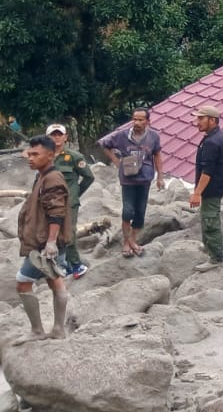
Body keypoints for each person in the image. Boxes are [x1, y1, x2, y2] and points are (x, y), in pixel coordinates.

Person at [16, 135, 71, 339]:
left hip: (45, 242)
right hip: (46, 240)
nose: (30, 158)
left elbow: (56, 212)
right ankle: (58, 329)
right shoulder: (42, 175)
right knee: (54, 280)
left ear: (50, 155)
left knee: (22, 282)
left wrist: (50, 243)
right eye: (29, 154)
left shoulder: (52, 178)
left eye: (35, 154)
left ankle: (37, 331)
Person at [98, 107, 166, 258]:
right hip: (128, 178)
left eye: (141, 120)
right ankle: (127, 242)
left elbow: (157, 155)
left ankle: (133, 239)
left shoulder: (153, 136)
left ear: (148, 121)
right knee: (127, 211)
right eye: (135, 119)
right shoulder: (122, 136)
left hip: (145, 178)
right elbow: (104, 144)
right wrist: (116, 161)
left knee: (140, 212)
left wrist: (160, 176)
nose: (137, 122)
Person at [46, 122, 94, 280]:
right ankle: (62, 264)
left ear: (66, 137)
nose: (57, 137)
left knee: (69, 232)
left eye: (60, 134)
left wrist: (75, 193)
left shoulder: (74, 157)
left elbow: (88, 177)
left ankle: (76, 264)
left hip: (69, 203)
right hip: (50, 203)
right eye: (53, 135)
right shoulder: (45, 157)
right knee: (54, 233)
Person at [191, 104, 223, 264]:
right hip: (217, 186)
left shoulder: (212, 142)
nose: (197, 122)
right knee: (209, 217)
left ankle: (216, 258)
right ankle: (210, 248)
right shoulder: (218, 136)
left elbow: (207, 171)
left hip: (212, 189)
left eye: (201, 118)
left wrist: (197, 193)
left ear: (212, 120)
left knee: (210, 221)